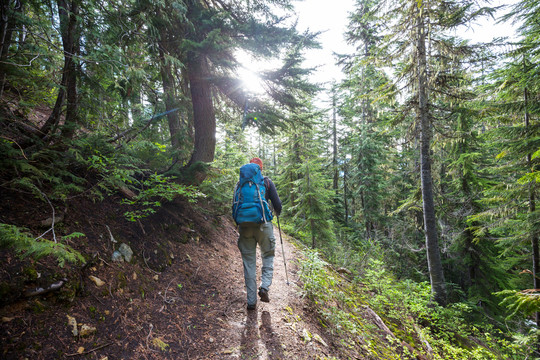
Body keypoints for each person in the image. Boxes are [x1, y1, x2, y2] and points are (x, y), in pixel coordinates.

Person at [236, 157, 282, 310]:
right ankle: (265, 287)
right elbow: (278, 206)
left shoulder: (240, 183)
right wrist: (274, 213)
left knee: (249, 263)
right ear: (260, 169)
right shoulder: (266, 182)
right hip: (264, 225)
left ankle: (251, 301)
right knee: (268, 255)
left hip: (244, 226)